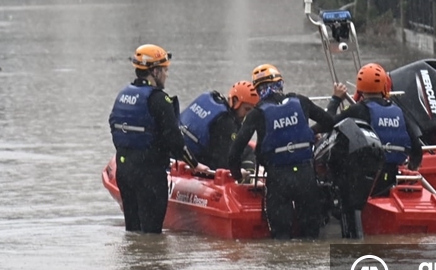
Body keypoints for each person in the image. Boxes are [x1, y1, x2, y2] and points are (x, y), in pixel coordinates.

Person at [227, 63, 335, 239]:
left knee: (281, 239)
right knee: (311, 238)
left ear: (258, 90)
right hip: (305, 177)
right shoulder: (301, 101)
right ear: (280, 83)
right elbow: (329, 121)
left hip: (278, 180)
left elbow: (235, 150)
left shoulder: (257, 114)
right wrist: (310, 133)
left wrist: (238, 175)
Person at [108, 44, 194, 233]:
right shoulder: (159, 100)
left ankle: (135, 261)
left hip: (125, 172)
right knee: (152, 235)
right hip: (150, 176)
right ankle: (150, 262)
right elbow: (175, 140)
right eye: (164, 70)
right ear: (154, 71)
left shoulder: (123, 95)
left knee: (133, 231)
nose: (166, 75)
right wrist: (193, 163)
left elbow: (113, 125)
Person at [328, 63, 423, 197]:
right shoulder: (398, 111)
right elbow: (417, 149)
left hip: (367, 179)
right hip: (393, 176)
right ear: (384, 86)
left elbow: (328, 122)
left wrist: (335, 99)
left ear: (360, 88)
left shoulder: (358, 110)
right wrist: (410, 170)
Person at [179, 81, 258, 170]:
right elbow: (225, 161)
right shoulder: (226, 123)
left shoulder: (216, 107)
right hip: (200, 159)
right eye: (247, 109)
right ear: (235, 102)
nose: (248, 115)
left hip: (182, 151)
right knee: (248, 152)